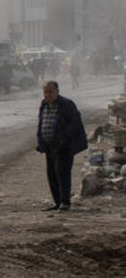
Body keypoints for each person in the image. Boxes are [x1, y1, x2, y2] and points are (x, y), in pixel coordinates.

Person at [36, 81, 88, 211]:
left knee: (62, 173)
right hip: (49, 145)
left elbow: (75, 124)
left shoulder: (66, 105)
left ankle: (65, 202)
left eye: (50, 92)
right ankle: (57, 202)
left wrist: (63, 138)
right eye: (45, 92)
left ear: (57, 92)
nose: (48, 95)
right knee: (52, 173)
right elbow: (42, 121)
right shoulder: (44, 104)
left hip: (63, 146)